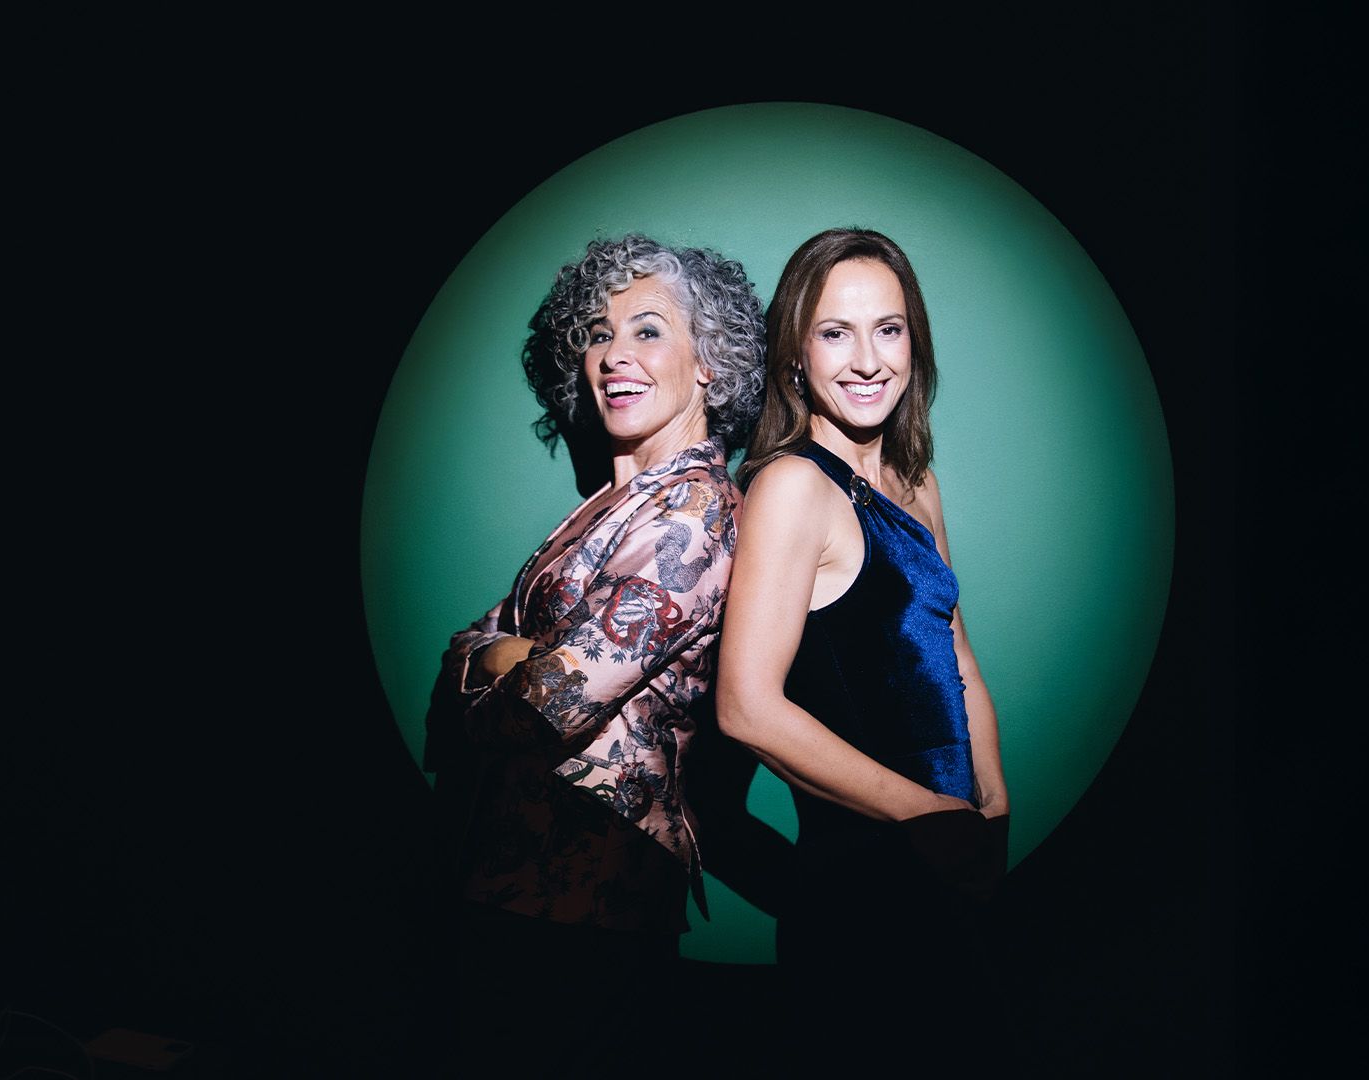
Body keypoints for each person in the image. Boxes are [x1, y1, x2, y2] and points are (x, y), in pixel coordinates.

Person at [422, 234, 764, 1070]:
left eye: (648, 330)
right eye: (598, 335)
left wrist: (499, 657)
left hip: (595, 902)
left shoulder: (693, 513)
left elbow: (548, 706)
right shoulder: (607, 504)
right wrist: (503, 655)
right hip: (505, 884)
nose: (614, 356)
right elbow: (459, 653)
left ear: (709, 362)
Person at [715, 227, 1010, 1069]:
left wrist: (993, 811)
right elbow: (745, 708)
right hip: (860, 895)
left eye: (889, 329)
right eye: (835, 333)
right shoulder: (790, 487)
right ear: (795, 356)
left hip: (953, 871)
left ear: (915, 342)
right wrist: (928, 817)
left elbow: (959, 660)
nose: (869, 360)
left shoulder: (917, 482)